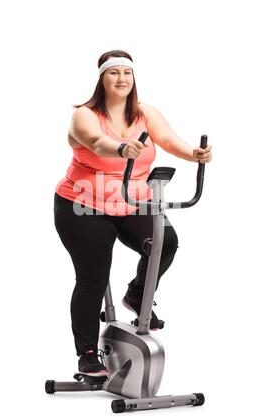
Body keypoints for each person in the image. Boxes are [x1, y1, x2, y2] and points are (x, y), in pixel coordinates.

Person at [54, 50, 212, 377]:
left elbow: (167, 139)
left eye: (127, 73)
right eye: (114, 73)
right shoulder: (84, 115)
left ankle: (138, 295)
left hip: (131, 200)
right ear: (102, 78)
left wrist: (193, 154)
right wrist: (122, 148)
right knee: (93, 277)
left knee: (164, 242)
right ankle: (87, 355)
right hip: (83, 204)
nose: (121, 79)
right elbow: (97, 143)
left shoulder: (144, 113)